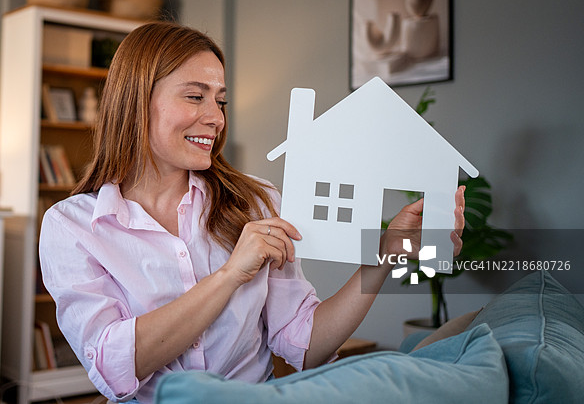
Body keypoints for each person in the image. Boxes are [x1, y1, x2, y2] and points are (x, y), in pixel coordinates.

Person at [39, 22, 465, 403]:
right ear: (135, 100)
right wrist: (230, 275)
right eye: (195, 97)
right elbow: (114, 368)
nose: (215, 118)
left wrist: (383, 257)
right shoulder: (73, 226)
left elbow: (305, 344)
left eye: (220, 101)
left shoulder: (257, 202)